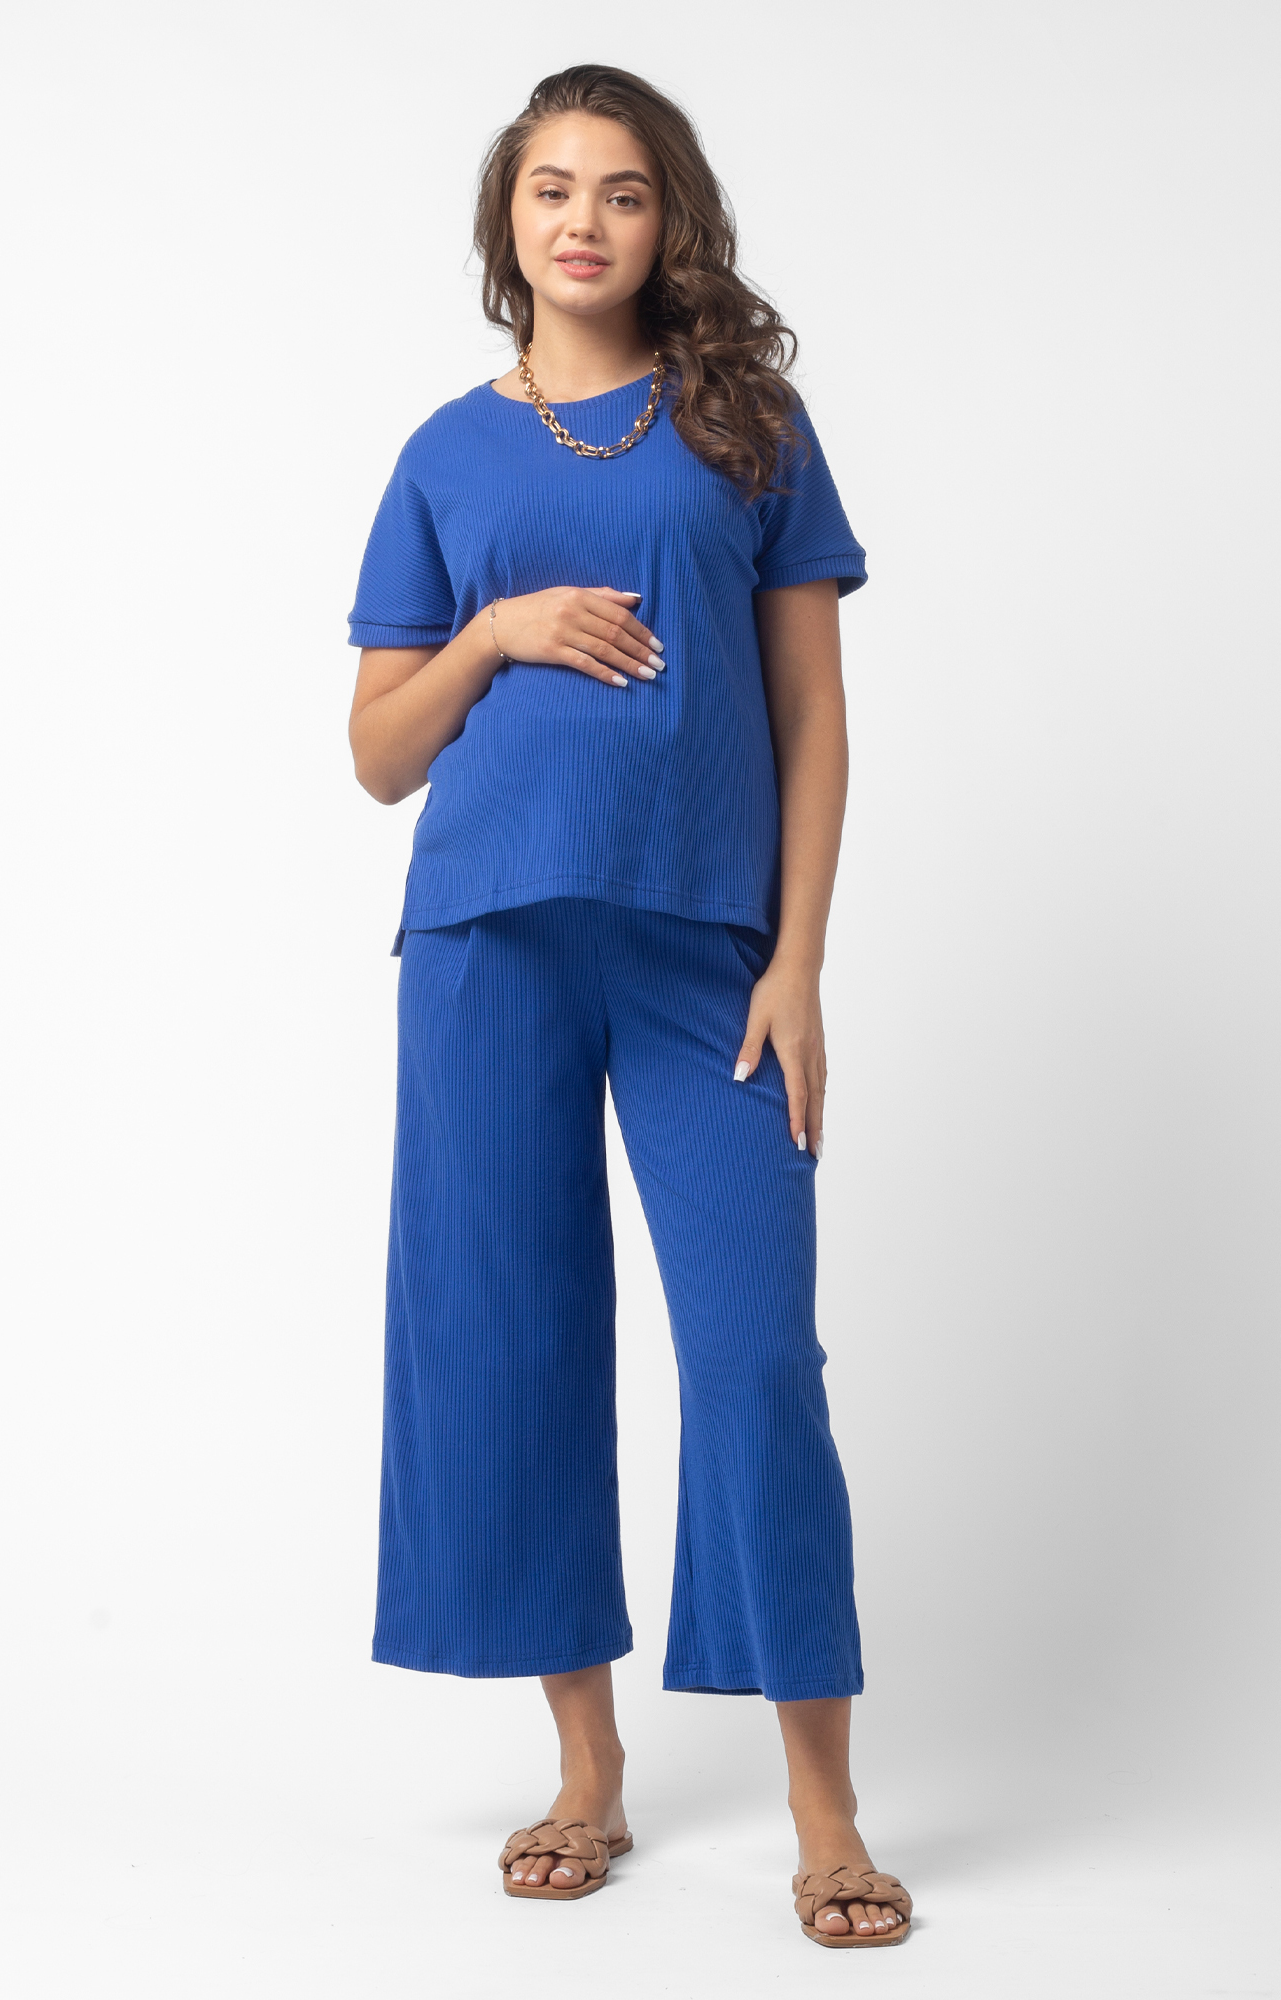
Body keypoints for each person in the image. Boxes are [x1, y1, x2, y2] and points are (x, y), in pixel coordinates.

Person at [345, 63, 912, 1949]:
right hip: (488, 944)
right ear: (505, 224)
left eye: (623, 191)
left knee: (754, 1356)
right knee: (509, 1342)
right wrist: (494, 633)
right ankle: (584, 1773)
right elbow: (377, 754)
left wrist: (796, 957)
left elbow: (813, 709)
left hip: (702, 955)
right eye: (550, 191)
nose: (582, 220)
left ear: (671, 223)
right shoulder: (445, 453)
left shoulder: (744, 424)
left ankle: (823, 1810)